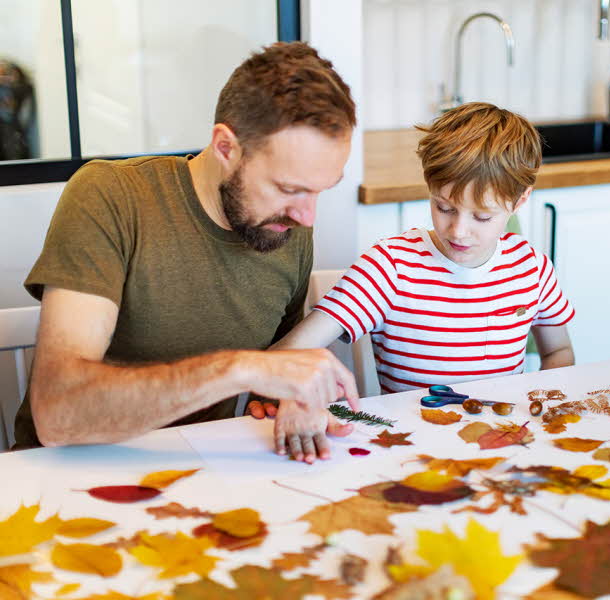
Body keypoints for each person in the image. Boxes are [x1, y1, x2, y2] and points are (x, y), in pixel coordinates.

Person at [13, 41, 360, 453]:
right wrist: (241, 368)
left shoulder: (286, 226)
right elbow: (59, 415)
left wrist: (293, 396)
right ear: (226, 147)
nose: (307, 216)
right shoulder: (111, 196)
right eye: (288, 188)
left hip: (196, 470)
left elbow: (273, 377)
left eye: (320, 191)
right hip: (62, 477)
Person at [269, 102, 575, 463]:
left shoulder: (532, 268)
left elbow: (558, 352)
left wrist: (542, 400)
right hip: (412, 451)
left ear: (520, 200)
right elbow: (284, 356)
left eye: (482, 216)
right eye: (444, 207)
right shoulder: (391, 267)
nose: (459, 230)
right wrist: (296, 396)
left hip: (503, 446)